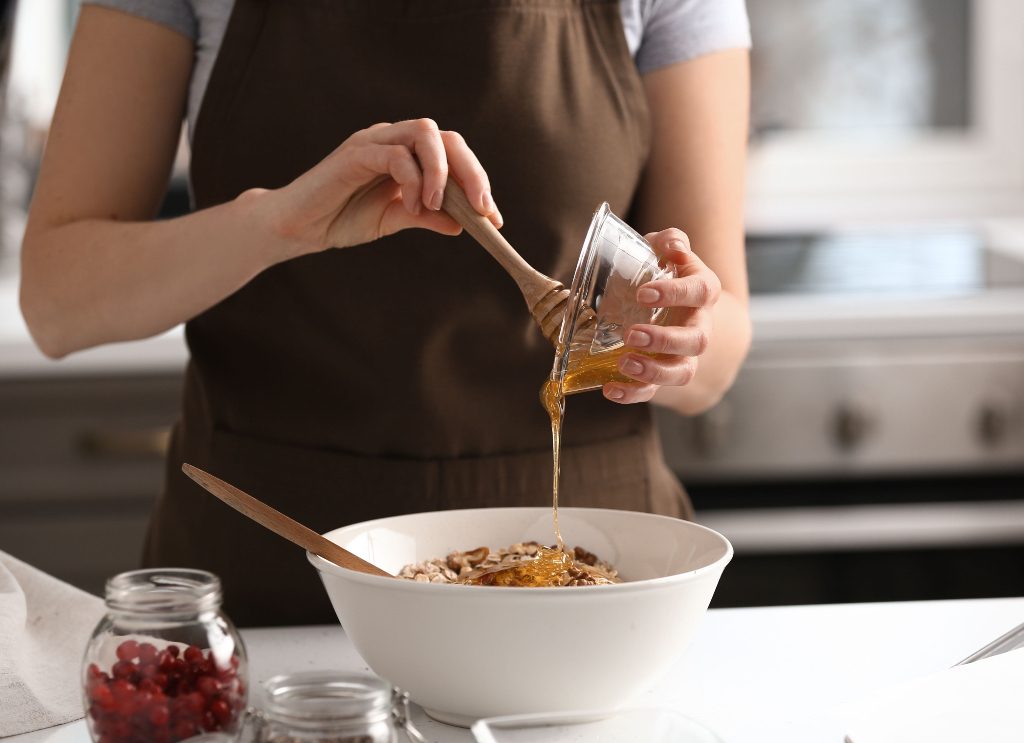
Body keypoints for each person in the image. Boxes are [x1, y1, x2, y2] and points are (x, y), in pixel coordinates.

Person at [20, 0, 752, 625]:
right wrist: (276, 224)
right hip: (272, 574)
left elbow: (718, 353)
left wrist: (679, 337)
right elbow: (57, 305)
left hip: (592, 595)